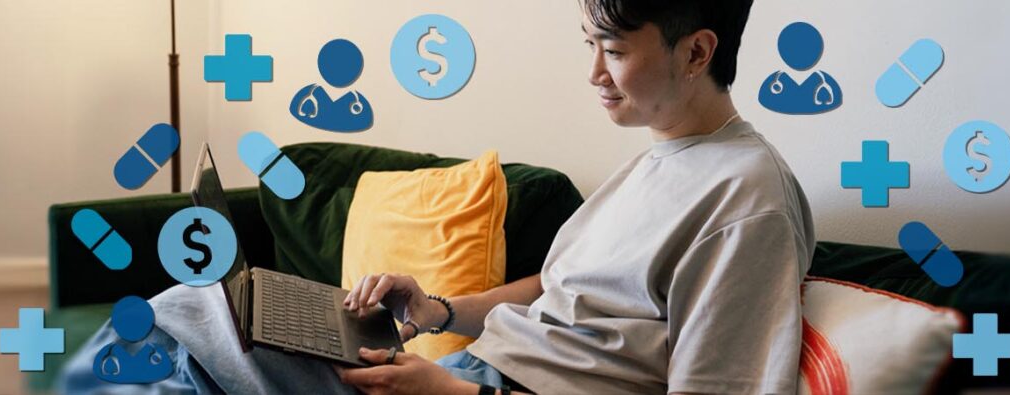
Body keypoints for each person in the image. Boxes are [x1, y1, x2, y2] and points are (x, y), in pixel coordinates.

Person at [336, 1, 815, 393]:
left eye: (615, 51)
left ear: (696, 54)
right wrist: (438, 311)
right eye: (591, 45)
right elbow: (559, 291)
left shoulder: (749, 200)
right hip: (474, 370)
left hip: (484, 386)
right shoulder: (657, 162)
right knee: (269, 346)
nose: (594, 72)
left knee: (263, 368)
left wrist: (457, 393)